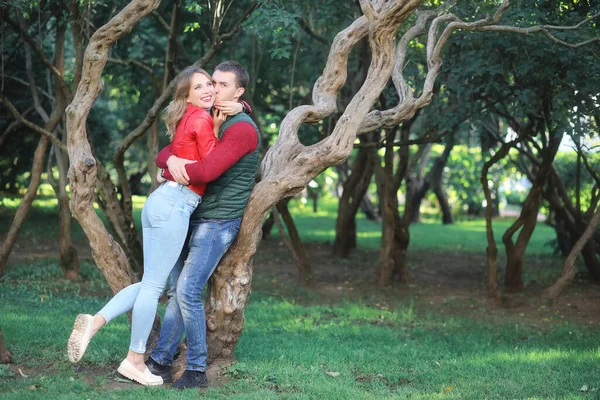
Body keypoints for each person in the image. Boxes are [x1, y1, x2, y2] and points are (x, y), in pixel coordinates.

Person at [66, 66, 236, 386]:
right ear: (186, 95)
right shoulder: (200, 118)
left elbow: (170, 156)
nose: (208, 90)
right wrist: (211, 132)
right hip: (176, 205)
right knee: (155, 288)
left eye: (210, 84)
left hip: (161, 203)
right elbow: (211, 168)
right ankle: (134, 360)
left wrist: (170, 166)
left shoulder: (188, 118)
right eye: (199, 87)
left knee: (149, 283)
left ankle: (96, 322)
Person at [145, 60, 260, 390]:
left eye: (223, 85)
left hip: (217, 221)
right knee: (175, 290)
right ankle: (162, 361)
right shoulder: (212, 119)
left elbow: (208, 171)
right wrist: (172, 159)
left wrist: (169, 171)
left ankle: (196, 369)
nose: (213, 89)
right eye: (211, 82)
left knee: (187, 291)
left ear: (238, 92)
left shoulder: (240, 128)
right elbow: (165, 151)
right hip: (191, 216)